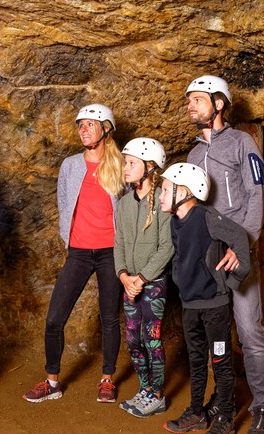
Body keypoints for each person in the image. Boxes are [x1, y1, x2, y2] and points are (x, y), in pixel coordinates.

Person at [185, 75, 264, 433]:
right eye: (188, 100)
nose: (189, 105)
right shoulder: (191, 155)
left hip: (238, 252)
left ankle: (263, 409)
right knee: (214, 335)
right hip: (208, 257)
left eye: (197, 99)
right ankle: (224, 403)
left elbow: (258, 194)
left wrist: (244, 246)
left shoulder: (242, 143)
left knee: (250, 331)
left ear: (219, 103)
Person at [23, 103, 125, 404]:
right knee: (54, 318)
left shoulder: (121, 165)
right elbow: (63, 203)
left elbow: (131, 209)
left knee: (109, 319)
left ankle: (107, 379)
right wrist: (69, 239)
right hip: (79, 252)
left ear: (106, 129)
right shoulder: (70, 165)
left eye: (90, 124)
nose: (83, 129)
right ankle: (52, 382)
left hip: (110, 252)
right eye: (80, 125)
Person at [159, 163, 252, 434]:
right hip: (190, 306)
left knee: (220, 362)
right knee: (196, 360)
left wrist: (232, 282)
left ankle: (225, 417)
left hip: (215, 307)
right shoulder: (175, 221)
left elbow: (239, 238)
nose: (161, 195)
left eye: (165, 190)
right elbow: (181, 257)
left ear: (185, 192)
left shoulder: (206, 216)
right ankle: (197, 412)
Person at [115, 137, 174, 418]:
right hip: (130, 284)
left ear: (149, 167)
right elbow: (120, 243)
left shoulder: (163, 200)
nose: (125, 168)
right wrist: (124, 276)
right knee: (132, 338)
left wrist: (141, 278)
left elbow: (167, 247)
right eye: (125, 162)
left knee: (151, 338)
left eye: (131, 163)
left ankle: (158, 394)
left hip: (154, 284)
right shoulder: (124, 204)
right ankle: (144, 388)